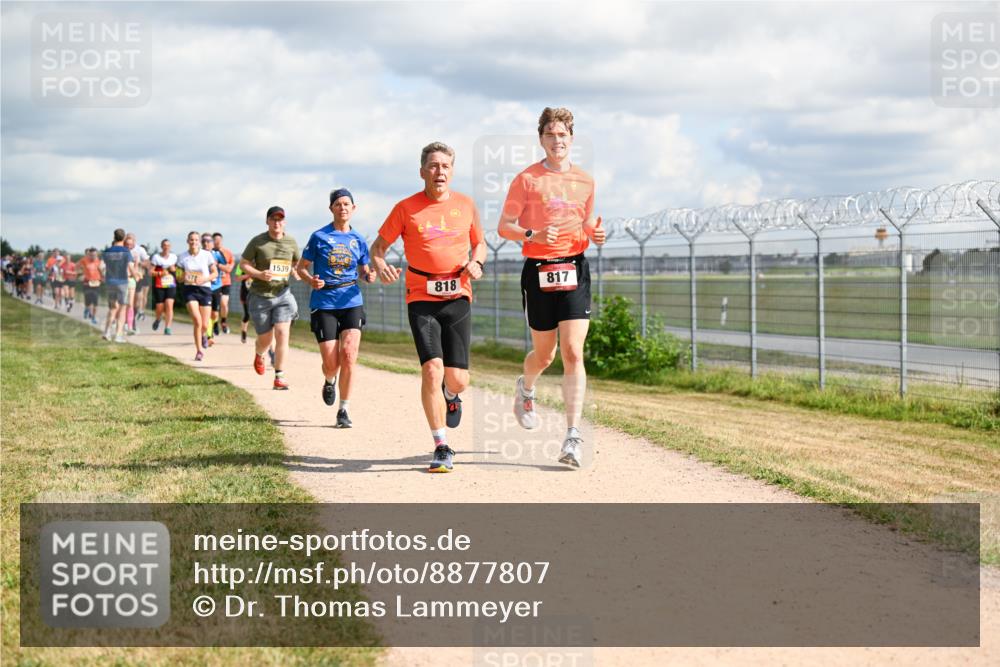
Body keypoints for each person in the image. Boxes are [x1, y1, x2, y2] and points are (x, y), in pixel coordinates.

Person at [496, 107, 606, 468]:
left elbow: (587, 220)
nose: (557, 141)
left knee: (574, 352)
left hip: (575, 267)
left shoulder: (586, 181)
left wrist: (595, 232)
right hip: (539, 271)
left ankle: (572, 436)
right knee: (545, 356)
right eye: (550, 135)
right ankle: (526, 388)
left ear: (571, 138)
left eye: (563, 135)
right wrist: (533, 233)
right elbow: (505, 226)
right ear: (541, 139)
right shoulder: (527, 179)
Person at [370, 142, 486, 473]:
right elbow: (378, 247)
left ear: (452, 171)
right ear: (422, 171)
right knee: (431, 369)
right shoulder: (406, 208)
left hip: (457, 295)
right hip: (421, 295)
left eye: (445, 166)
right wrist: (380, 266)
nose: (439, 172)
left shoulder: (466, 205)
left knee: (458, 379)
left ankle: (452, 395)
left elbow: (480, 243)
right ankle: (441, 444)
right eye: (433, 166)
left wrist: (476, 262)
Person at [295, 188, 376, 428]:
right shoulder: (319, 236)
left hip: (351, 301)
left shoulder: (359, 240)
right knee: (332, 363)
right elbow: (301, 268)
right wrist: (311, 281)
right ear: (331, 208)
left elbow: (363, 271)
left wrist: (368, 276)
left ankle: (344, 410)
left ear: (354, 208)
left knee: (349, 356)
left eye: (347, 204)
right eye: (338, 204)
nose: (343, 208)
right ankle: (329, 379)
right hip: (324, 303)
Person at [240, 206, 301, 390]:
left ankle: (279, 376)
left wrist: (294, 271)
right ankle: (260, 354)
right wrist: (259, 274)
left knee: (282, 333)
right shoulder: (257, 242)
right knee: (265, 340)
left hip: (283, 294)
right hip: (260, 296)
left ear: (284, 222)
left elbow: (296, 262)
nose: (277, 222)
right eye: (273, 219)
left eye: (280, 219)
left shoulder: (291, 241)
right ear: (267, 221)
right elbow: (243, 264)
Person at [177, 231, 218, 360]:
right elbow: (178, 278)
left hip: (205, 290)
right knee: (197, 321)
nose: (193, 242)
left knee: (205, 325)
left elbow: (215, 273)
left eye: (196, 240)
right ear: (187, 241)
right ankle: (199, 351)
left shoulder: (207, 255)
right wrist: (183, 276)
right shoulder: (182, 257)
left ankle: (204, 335)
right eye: (191, 240)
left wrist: (205, 279)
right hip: (190, 290)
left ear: (199, 242)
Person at [102, 229, 134, 343]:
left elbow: (101, 267)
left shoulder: (107, 251)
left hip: (110, 281)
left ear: (114, 237)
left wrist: (103, 276)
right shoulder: (126, 251)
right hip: (122, 282)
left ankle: (107, 332)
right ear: (124, 238)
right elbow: (130, 267)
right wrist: (136, 275)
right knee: (122, 308)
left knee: (112, 308)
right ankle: (118, 335)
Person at [150, 238, 178, 335]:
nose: (166, 247)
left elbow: (177, 272)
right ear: (161, 247)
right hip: (159, 285)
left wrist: (173, 270)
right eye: (164, 245)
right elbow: (151, 272)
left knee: (169, 305)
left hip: (171, 284)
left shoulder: (174, 257)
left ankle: (168, 327)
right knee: (159, 307)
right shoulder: (156, 257)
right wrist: (160, 273)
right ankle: (158, 319)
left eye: (168, 245)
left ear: (170, 247)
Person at [212, 232, 235, 334]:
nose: (217, 242)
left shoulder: (228, 253)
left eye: (219, 240)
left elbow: (229, 269)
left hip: (225, 282)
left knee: (224, 304)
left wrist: (219, 265)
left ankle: (224, 322)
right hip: (214, 283)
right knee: (215, 307)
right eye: (215, 240)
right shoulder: (209, 253)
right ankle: (215, 324)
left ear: (222, 241)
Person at [80, 247, 103, 324]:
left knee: (95, 302)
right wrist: (80, 275)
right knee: (88, 301)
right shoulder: (84, 261)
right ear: (89, 255)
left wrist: (103, 277)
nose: (93, 256)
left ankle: (93, 317)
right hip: (87, 283)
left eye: (95, 255)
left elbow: (101, 271)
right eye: (92, 255)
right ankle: (87, 309)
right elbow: (77, 268)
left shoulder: (98, 262)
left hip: (96, 284)